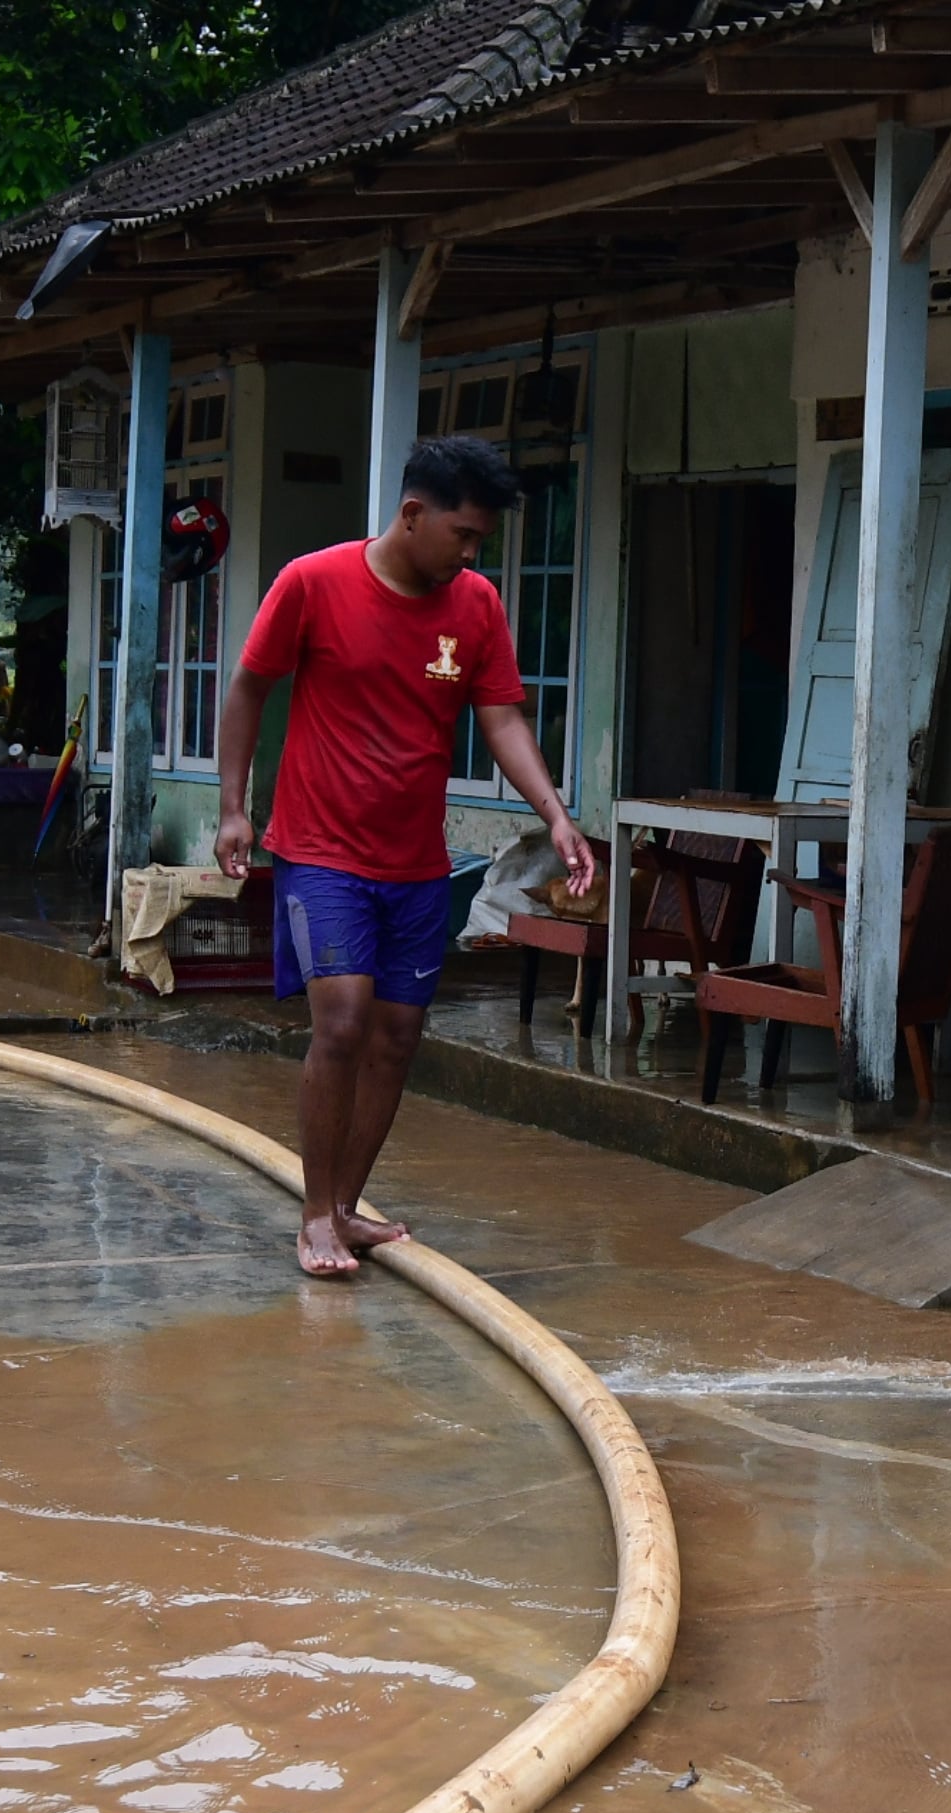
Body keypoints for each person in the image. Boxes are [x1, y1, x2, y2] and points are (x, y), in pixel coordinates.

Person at [214, 436, 596, 1277]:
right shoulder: (312, 582)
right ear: (413, 514)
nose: (471, 554)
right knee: (343, 1021)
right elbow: (249, 688)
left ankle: (346, 1208)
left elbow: (501, 717)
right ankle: (314, 1216)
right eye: (463, 535)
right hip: (321, 850)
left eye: (480, 541)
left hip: (417, 861)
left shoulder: (477, 605)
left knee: (396, 1036)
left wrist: (558, 818)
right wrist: (234, 808)